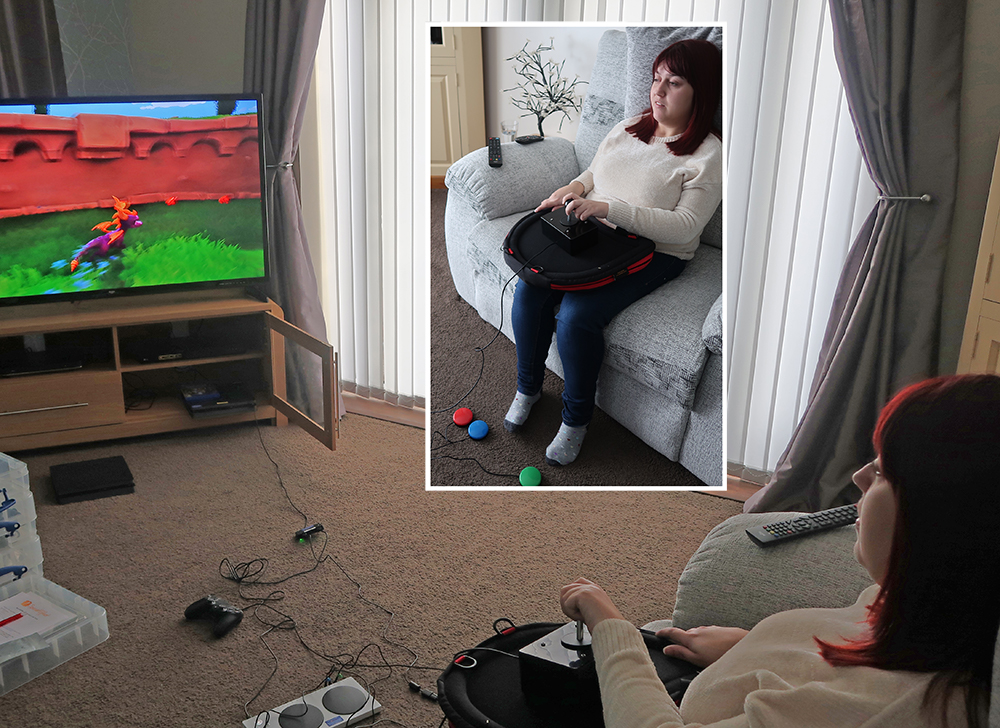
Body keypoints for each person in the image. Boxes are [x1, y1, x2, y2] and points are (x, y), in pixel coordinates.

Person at [560, 373, 1000, 728]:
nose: (861, 476)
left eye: (883, 470)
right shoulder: (937, 613)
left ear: (940, 518)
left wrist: (608, 624)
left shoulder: (869, 709)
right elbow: (851, 647)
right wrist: (751, 648)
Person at [504, 39, 723, 466]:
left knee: (576, 316)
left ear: (701, 91)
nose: (657, 91)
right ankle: (527, 388)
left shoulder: (708, 154)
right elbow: (593, 172)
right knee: (531, 289)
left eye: (673, 83)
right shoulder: (629, 126)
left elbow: (685, 226)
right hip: (594, 234)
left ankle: (575, 420)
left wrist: (608, 207)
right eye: (656, 79)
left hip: (656, 252)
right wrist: (573, 189)